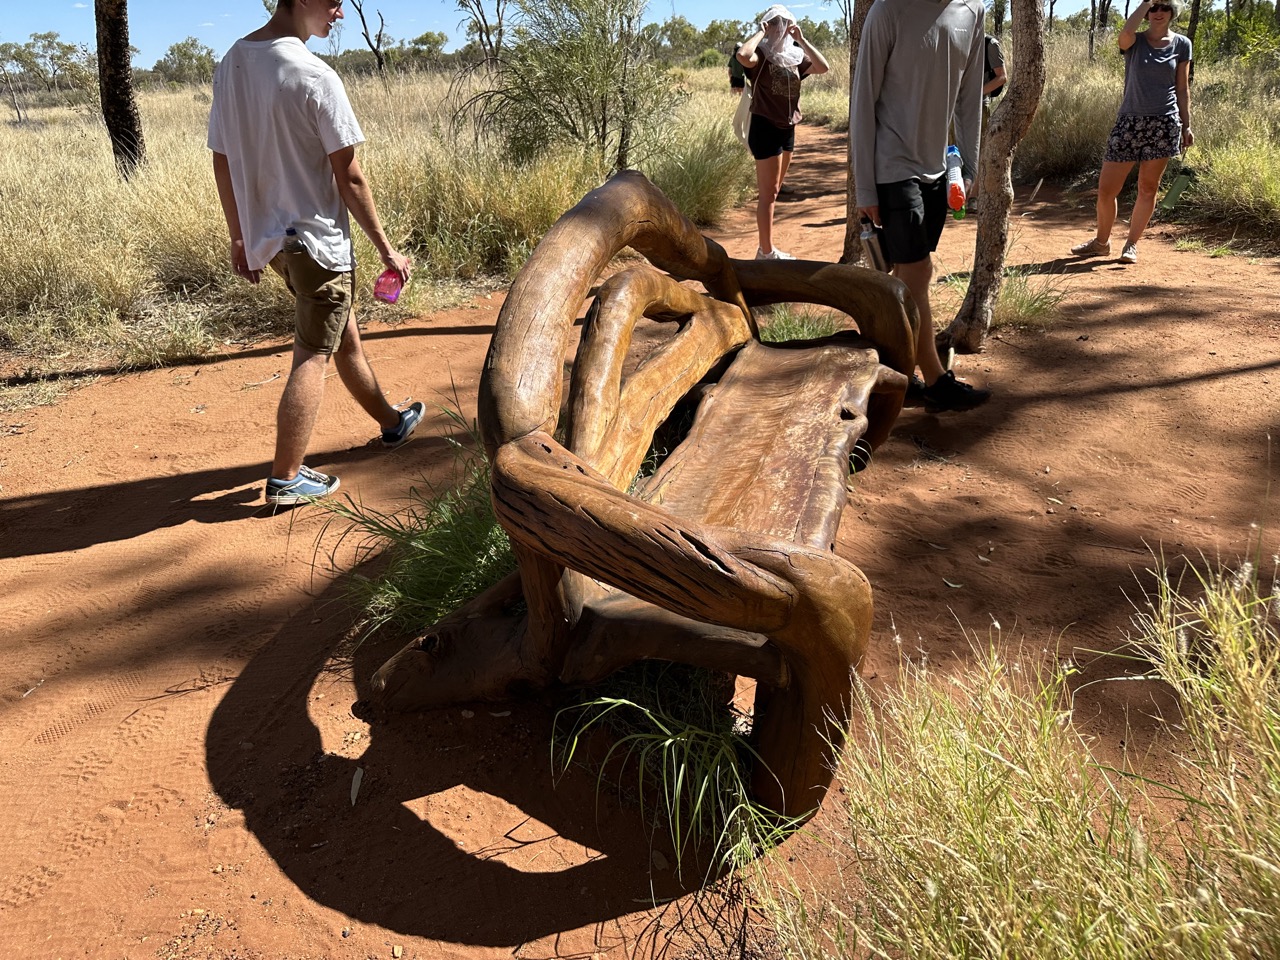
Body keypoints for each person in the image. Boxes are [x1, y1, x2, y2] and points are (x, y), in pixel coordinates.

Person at [208, 0, 423, 506]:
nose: (340, 12)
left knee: (339, 333)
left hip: (276, 243)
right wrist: (388, 251)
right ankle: (286, 478)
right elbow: (349, 176)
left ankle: (392, 422)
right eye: (333, 1)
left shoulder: (232, 63)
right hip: (317, 243)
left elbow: (223, 160)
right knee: (313, 354)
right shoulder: (314, 74)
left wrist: (240, 236)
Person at [851, 0, 992, 413]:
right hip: (891, 166)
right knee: (919, 270)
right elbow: (863, 101)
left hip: (937, 168)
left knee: (907, 275)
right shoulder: (888, 10)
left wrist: (968, 162)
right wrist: (865, 189)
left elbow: (969, 95)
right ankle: (935, 381)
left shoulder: (973, 10)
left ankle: (896, 365)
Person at [1070, 0, 1193, 265]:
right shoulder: (1133, 41)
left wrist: (1187, 124)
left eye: (1164, 8)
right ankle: (1101, 243)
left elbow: (1182, 89)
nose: (1158, 13)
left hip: (1164, 123)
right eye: (1153, 8)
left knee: (1148, 188)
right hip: (1129, 122)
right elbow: (1123, 36)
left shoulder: (1182, 44)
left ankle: (1132, 244)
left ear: (1172, 12)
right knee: (1106, 190)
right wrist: (1144, 3)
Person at [736, 5, 829, 260]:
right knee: (767, 193)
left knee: (775, 191)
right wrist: (760, 33)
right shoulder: (761, 56)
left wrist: (801, 39)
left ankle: (767, 248)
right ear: (768, 26)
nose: (780, 28)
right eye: (775, 23)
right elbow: (743, 56)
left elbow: (823, 67)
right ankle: (765, 252)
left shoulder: (795, 56)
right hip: (764, 126)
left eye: (784, 23)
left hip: (788, 128)